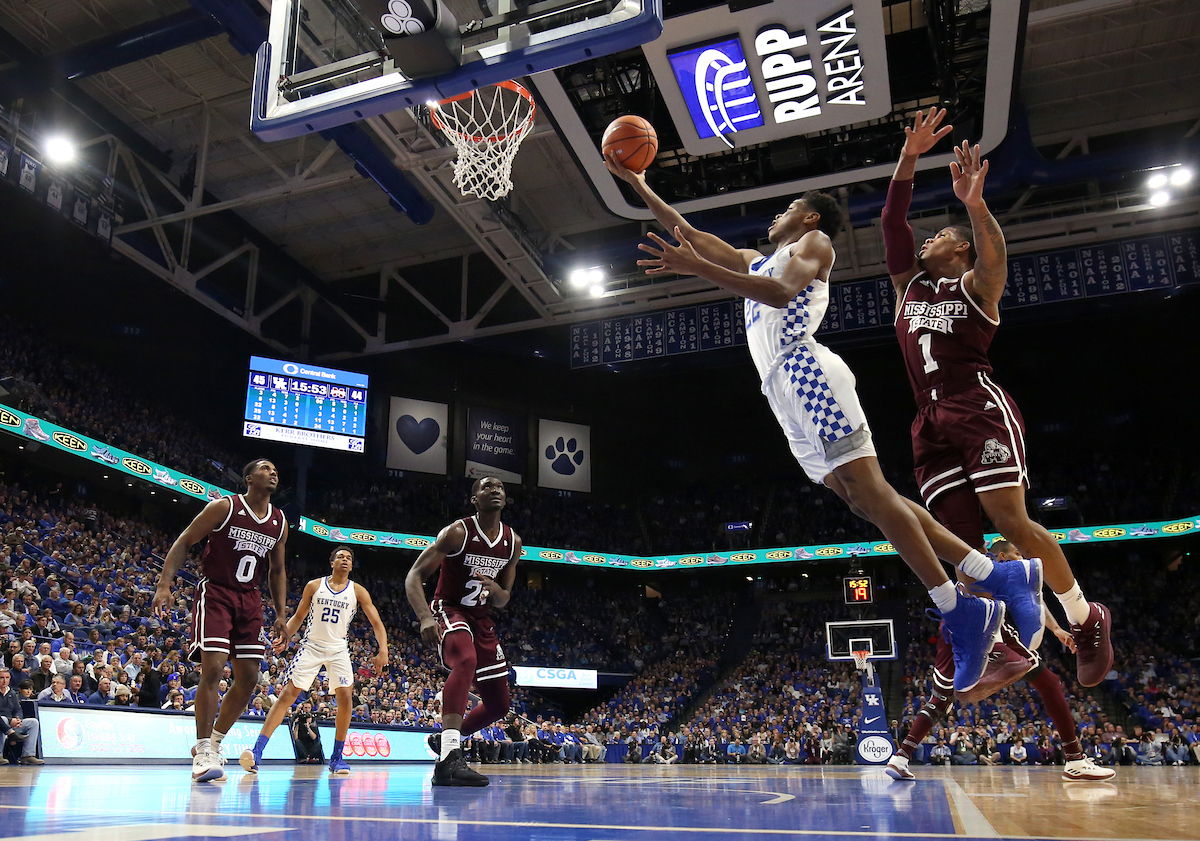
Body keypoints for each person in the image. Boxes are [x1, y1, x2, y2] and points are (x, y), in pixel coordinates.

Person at [608, 153, 1034, 701]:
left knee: (875, 495)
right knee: (863, 502)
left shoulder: (814, 246)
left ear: (809, 218)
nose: (776, 217)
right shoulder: (750, 258)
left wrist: (696, 270)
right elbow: (687, 232)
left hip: (807, 371)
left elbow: (781, 293)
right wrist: (640, 184)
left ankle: (961, 608)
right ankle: (994, 576)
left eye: (788, 208)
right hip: (779, 393)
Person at [880, 107, 1113, 685]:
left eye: (940, 237)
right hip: (927, 419)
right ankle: (1000, 643)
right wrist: (908, 159)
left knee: (1010, 523)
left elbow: (994, 258)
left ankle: (1085, 617)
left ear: (958, 249)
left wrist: (975, 206)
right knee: (960, 549)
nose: (928, 240)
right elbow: (892, 222)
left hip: (974, 404)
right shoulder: (908, 286)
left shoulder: (976, 286)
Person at [888, 543, 1114, 783]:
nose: (1021, 557)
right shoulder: (990, 568)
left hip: (952, 627)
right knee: (1048, 681)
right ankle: (1075, 759)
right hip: (984, 625)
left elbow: (1034, 599)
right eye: (1018, 553)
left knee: (940, 700)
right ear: (1002, 555)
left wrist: (1056, 628)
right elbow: (1028, 599)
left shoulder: (973, 566)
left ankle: (900, 758)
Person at [152, 459, 289, 782]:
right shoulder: (224, 507)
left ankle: (214, 743)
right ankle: (201, 750)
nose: (273, 472)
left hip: (250, 599)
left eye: (276, 469)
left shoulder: (279, 521)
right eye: (266, 468)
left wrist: (281, 613)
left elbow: (278, 570)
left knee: (249, 679)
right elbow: (185, 540)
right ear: (249, 477)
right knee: (212, 668)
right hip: (216, 593)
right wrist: (164, 584)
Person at [405, 476, 521, 787]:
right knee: (465, 660)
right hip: (450, 608)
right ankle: (450, 758)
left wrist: (496, 588)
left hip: (481, 618)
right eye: (486, 486)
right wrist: (425, 618)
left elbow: (504, 599)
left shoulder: (513, 542)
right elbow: (414, 575)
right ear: (474, 499)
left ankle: (446, 741)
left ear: (506, 498)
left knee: (499, 705)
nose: (494, 489)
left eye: (499, 486)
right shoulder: (458, 532)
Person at [241, 545, 388, 776]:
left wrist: (384, 651)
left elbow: (377, 623)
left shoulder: (358, 591)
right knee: (287, 695)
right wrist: (285, 636)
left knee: (346, 698)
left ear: (352, 564)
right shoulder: (314, 585)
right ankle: (257, 752)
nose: (344, 560)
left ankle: (337, 758)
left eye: (349, 558)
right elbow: (299, 616)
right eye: (340, 556)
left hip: (338, 647)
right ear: (332, 562)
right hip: (312, 646)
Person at [0, 668, 43, 765]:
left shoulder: (11, 693)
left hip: (12, 724)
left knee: (33, 722)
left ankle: (27, 756)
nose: (4, 680)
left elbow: (18, 709)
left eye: (7, 678)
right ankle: (0, 755)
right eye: (1, 678)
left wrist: (18, 719)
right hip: (2, 723)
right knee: (3, 719)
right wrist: (11, 720)